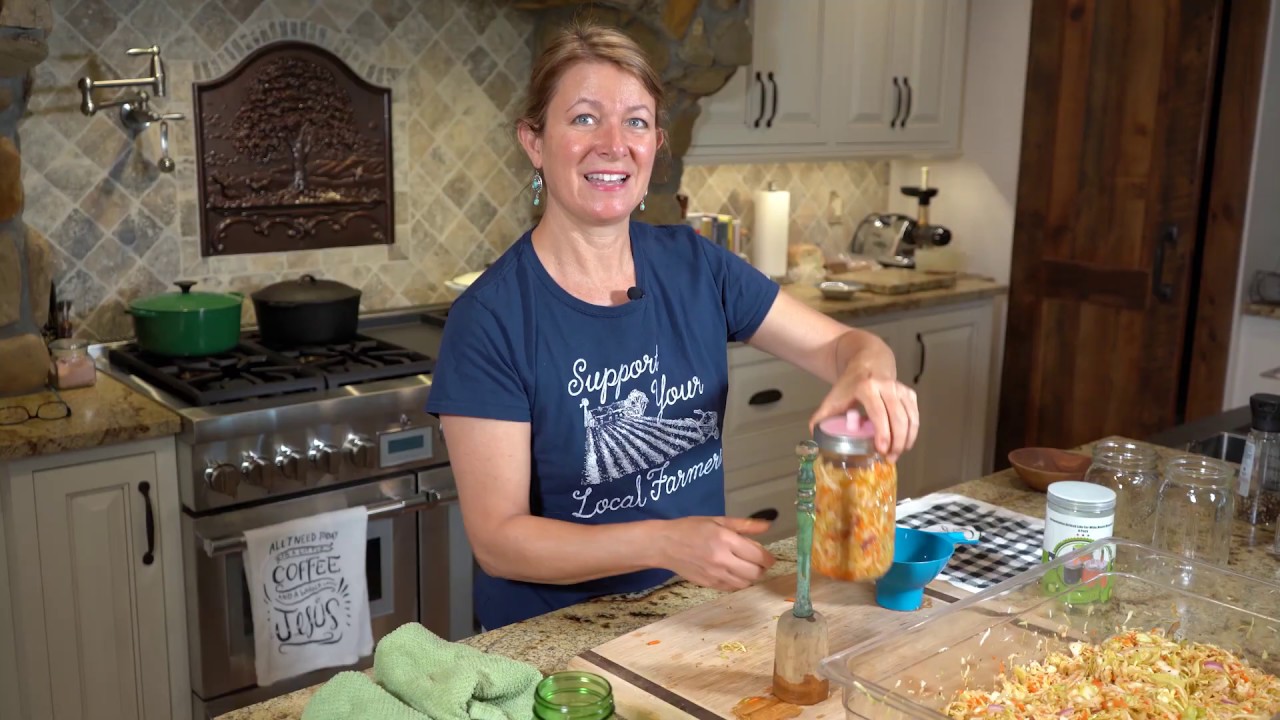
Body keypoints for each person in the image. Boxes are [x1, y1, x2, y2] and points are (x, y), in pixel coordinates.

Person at [426, 22, 920, 631]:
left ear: (656, 143)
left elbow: (848, 345)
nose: (613, 144)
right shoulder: (491, 318)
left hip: (689, 615)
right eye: (584, 118)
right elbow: (498, 541)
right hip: (553, 639)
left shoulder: (695, 266)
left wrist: (867, 374)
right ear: (534, 141)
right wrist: (663, 542)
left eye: (635, 122)